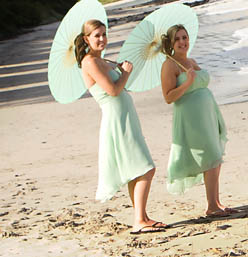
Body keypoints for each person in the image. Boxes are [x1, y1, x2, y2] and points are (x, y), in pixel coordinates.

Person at [77, 19, 164, 234]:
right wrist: (125, 73)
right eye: (97, 35)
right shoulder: (90, 62)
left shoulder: (102, 60)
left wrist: (120, 69)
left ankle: (142, 217)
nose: (102, 39)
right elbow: (113, 91)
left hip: (125, 117)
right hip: (116, 119)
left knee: (136, 169)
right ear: (86, 39)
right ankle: (139, 220)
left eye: (104, 34)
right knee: (146, 168)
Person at [160, 24, 233, 217]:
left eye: (184, 37)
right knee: (209, 155)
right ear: (171, 43)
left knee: (215, 156)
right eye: (177, 39)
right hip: (191, 118)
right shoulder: (169, 65)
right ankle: (211, 206)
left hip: (207, 114)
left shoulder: (191, 61)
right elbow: (168, 97)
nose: (182, 42)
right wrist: (188, 83)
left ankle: (217, 202)